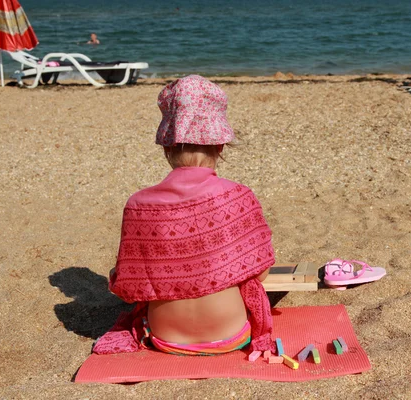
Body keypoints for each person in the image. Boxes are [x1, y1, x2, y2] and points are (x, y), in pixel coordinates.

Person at [93, 75, 276, 356]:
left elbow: (128, 288)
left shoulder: (138, 204)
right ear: (220, 145)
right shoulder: (238, 196)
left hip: (165, 337)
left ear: (166, 146)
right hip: (231, 334)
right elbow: (261, 273)